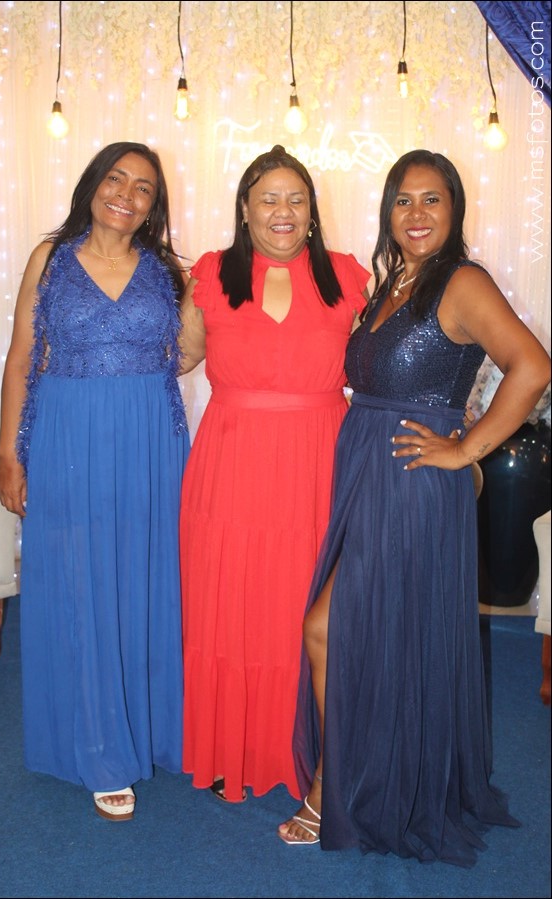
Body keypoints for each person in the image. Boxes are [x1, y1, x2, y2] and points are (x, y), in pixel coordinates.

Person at [278, 149, 551, 866]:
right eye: (404, 199)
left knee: (327, 628)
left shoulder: (462, 282)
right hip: (370, 476)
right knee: (374, 637)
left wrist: (466, 451)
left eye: (433, 199)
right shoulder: (392, 283)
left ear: (454, 209)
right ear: (388, 211)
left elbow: (532, 367)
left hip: (414, 482)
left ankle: (332, 787)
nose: (417, 213)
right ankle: (366, 779)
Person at [0, 142, 190, 821]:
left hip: (149, 439)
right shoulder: (50, 259)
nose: (126, 195)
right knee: (80, 581)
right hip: (68, 436)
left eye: (143, 188)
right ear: (93, 185)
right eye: (116, 179)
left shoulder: (167, 271)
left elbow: (189, 351)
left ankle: (155, 730)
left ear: (153, 206)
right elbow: (22, 358)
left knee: (144, 580)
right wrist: (9, 454)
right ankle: (101, 747)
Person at [177, 145, 370, 803]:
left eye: (296, 199)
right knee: (228, 611)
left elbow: (381, 366)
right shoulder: (211, 273)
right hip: (230, 467)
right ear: (244, 209)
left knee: (303, 611)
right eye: (268, 198)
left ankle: (310, 753)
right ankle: (231, 748)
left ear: (312, 211)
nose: (282, 211)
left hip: (319, 466)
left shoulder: (348, 277)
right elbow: (175, 356)